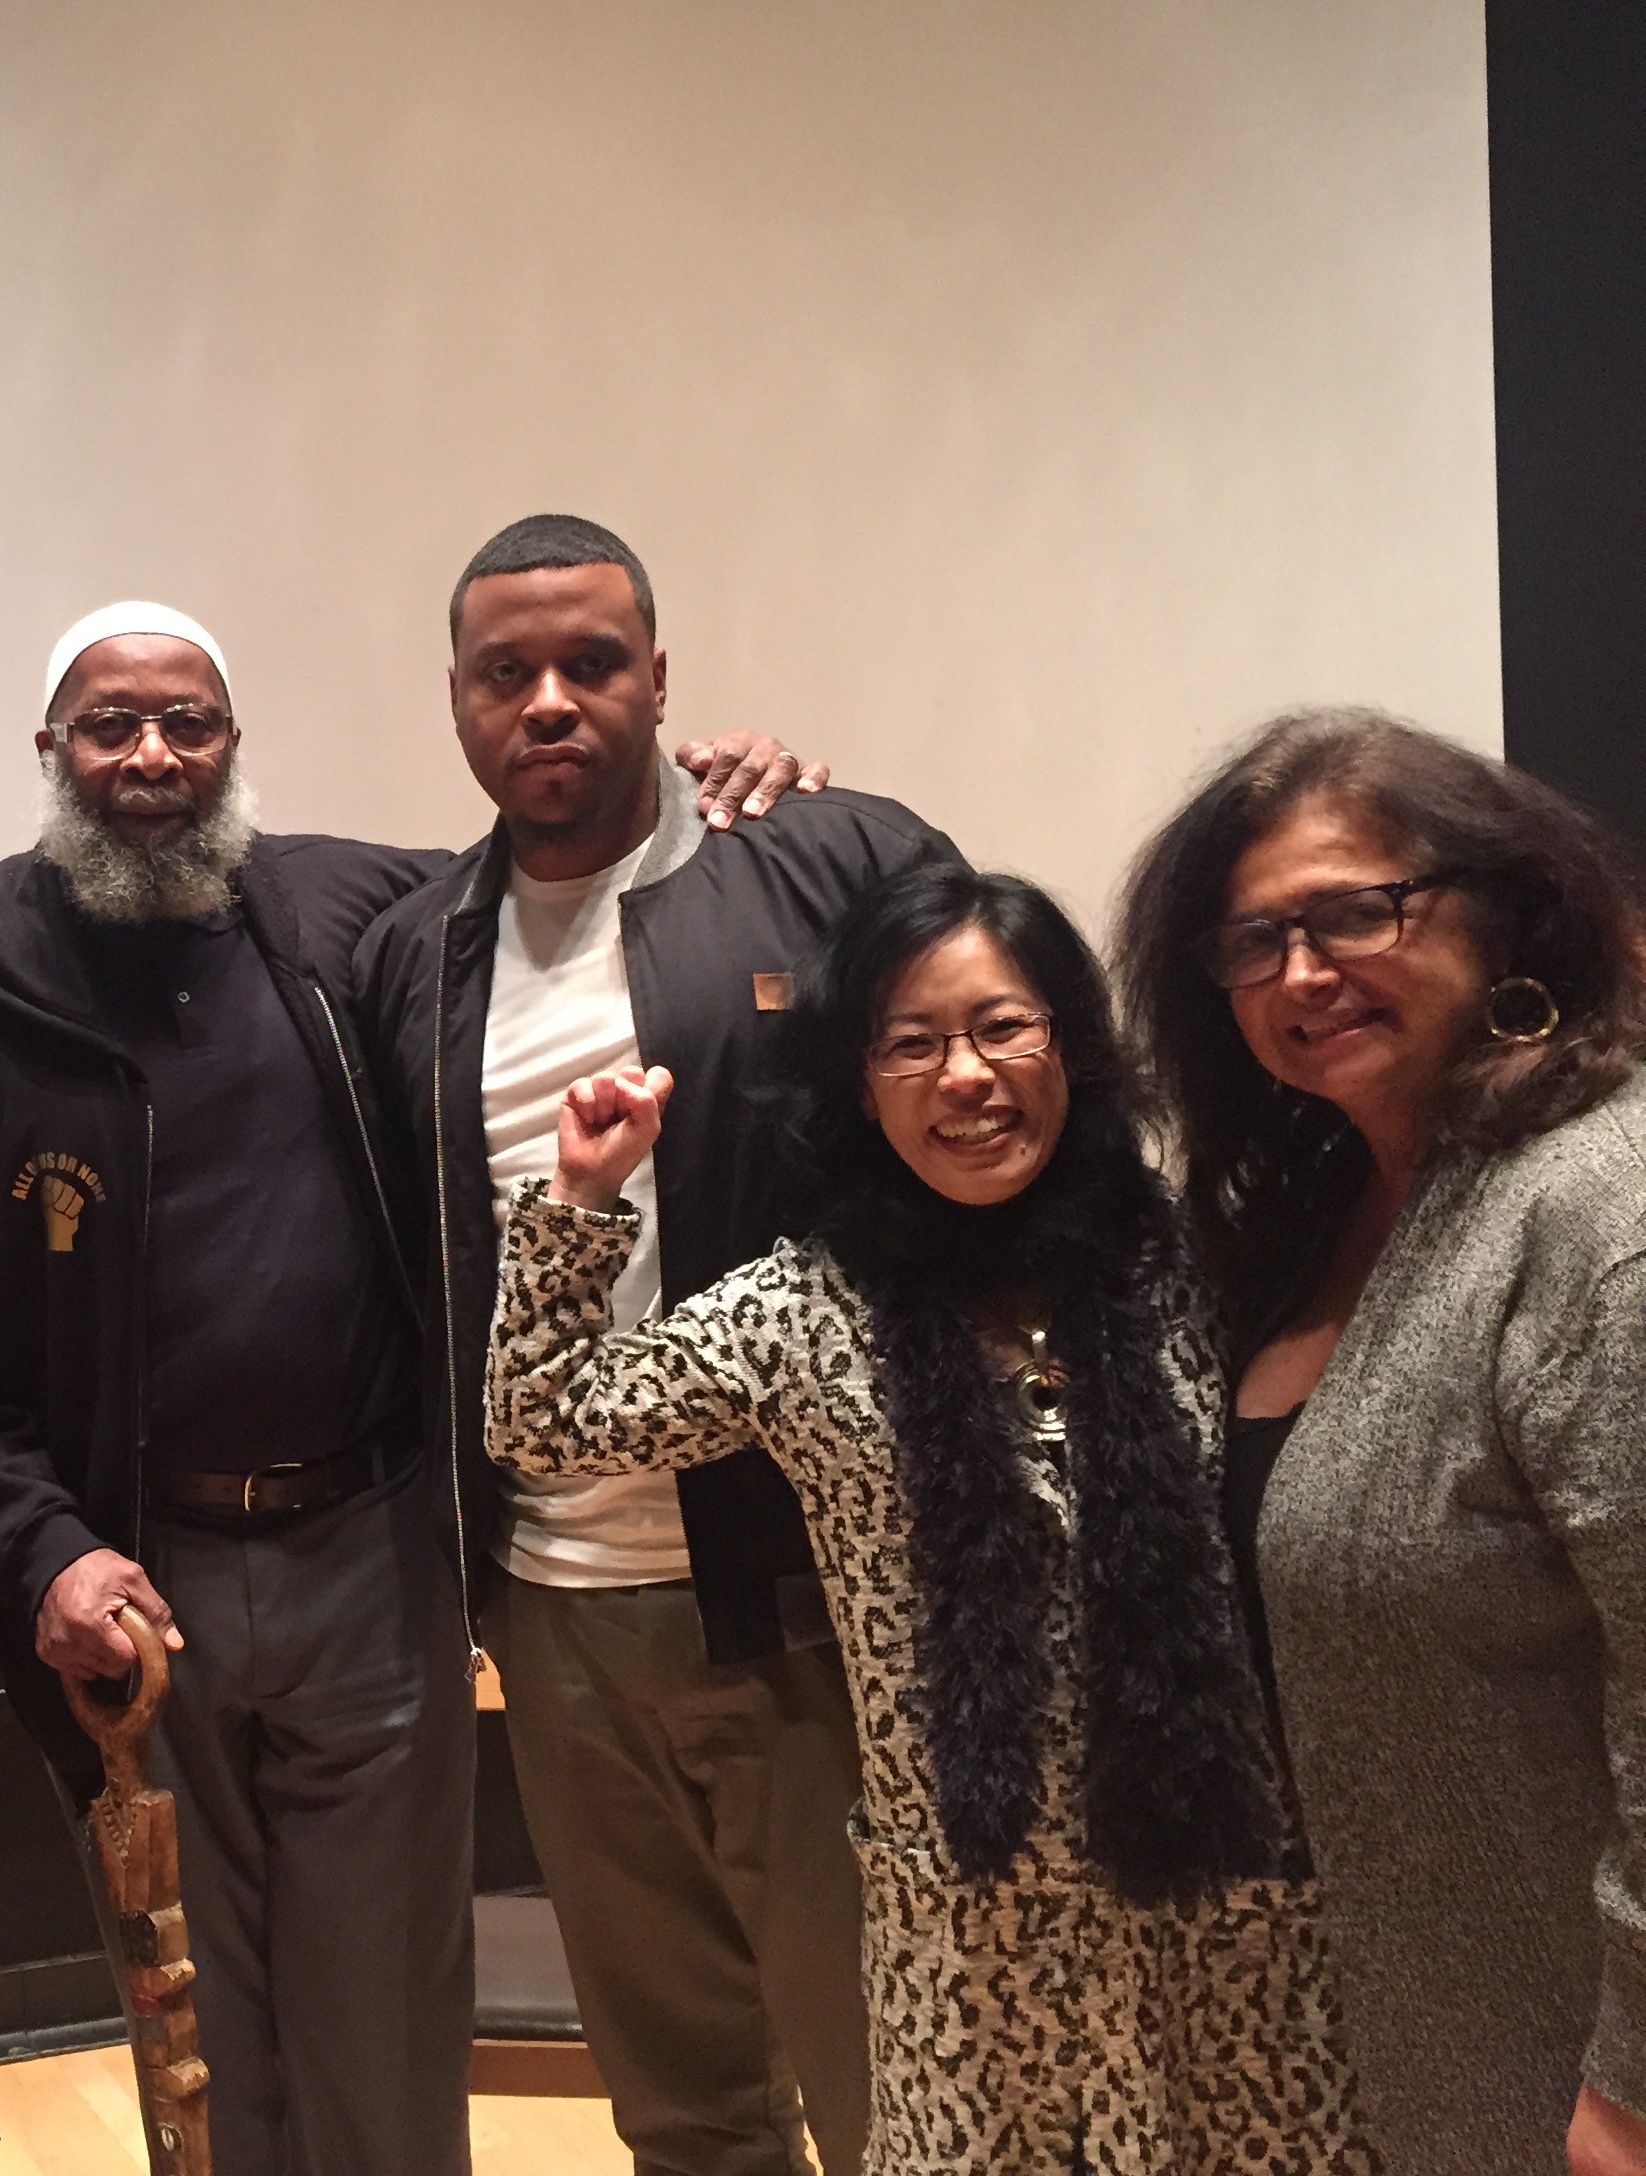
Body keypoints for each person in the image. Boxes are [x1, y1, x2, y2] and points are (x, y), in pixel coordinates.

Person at [0, 596, 811, 2173]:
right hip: (133, 1577)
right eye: (112, 726)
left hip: (371, 1554)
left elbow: (560, 857)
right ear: (49, 752)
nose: (153, 756)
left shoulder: (351, 921)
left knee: (386, 2013)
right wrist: (44, 1552)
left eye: (190, 723)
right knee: (204, 2038)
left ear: (237, 746)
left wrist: (720, 786)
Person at [486, 862, 1371, 2171]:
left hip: (1216, 1919)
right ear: (859, 1079)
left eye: (1004, 1027)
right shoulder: (804, 1312)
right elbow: (545, 1426)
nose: (967, 1077)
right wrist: (580, 1203)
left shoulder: (1193, 1262)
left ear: (1068, 1041)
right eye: (914, 1044)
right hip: (966, 1943)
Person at [352, 515, 945, 2176]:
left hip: (813, 1600)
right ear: (458, 706)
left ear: (661, 680)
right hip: (558, 1617)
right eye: (505, 674)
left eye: (592, 664)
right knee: (684, 2105)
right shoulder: (418, 953)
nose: (549, 701)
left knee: (891, 2079)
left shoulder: (830, 865)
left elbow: (1000, 1118)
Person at [1119, 706, 1646, 2176]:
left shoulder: (1602, 1215)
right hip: (1406, 2028)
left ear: (1506, 910)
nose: (1300, 973)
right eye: (1249, 942)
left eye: (1353, 913)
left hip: (1576, 2065)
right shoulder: (1323, 1208)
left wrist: (1637, 2077)